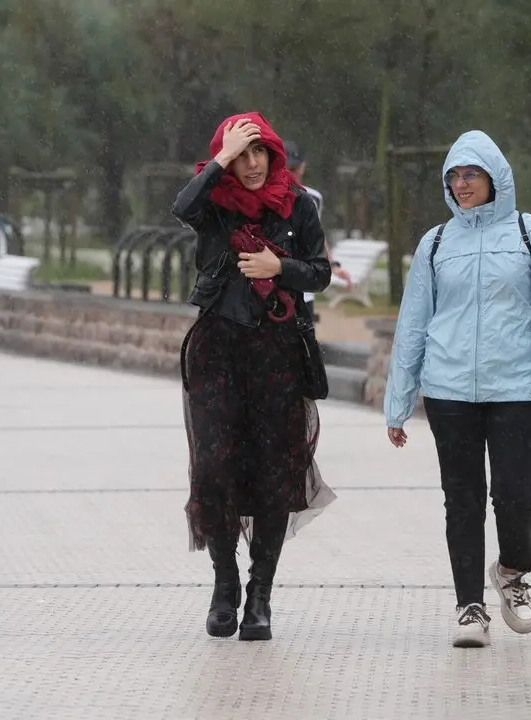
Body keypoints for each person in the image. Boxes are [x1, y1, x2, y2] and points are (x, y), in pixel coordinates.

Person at [383, 130, 531, 649]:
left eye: (471, 174)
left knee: (516, 494)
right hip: (448, 390)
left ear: (495, 178)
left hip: (516, 386)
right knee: (462, 499)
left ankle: (511, 572)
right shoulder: (436, 242)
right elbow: (413, 323)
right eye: (454, 176)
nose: (462, 184)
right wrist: (398, 402)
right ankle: (470, 606)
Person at [172, 113, 336, 642]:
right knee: (214, 469)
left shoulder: (298, 205)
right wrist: (220, 159)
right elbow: (182, 208)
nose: (252, 164)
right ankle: (225, 586)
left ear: (274, 154)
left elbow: (320, 272)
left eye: (259, 151)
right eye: (241, 154)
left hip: (277, 353)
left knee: (272, 473)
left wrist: (278, 268)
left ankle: (260, 594)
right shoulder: (214, 204)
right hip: (218, 351)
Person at [283, 140, 352, 320]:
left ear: (303, 167)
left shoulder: (313, 198)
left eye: (293, 169)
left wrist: (333, 265)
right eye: (284, 169)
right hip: (275, 287)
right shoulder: (264, 197)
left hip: (304, 289)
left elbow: (316, 236)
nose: (289, 175)